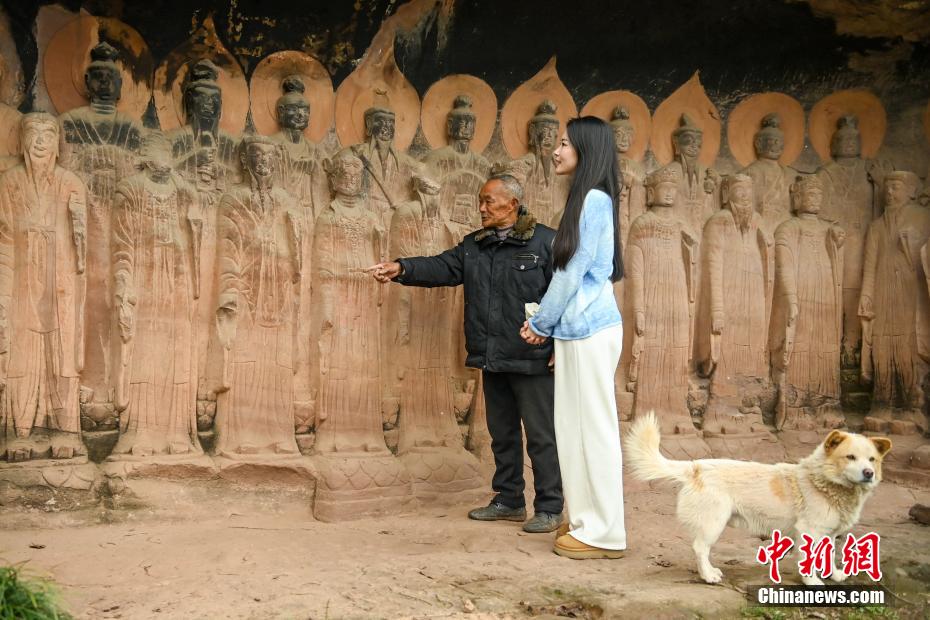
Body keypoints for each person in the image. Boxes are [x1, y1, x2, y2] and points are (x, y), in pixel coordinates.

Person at [370, 174, 563, 534]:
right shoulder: (475, 245)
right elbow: (442, 266)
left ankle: (550, 506)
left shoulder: (545, 242)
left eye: (489, 201)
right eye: (480, 200)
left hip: (532, 356)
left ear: (513, 205)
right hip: (492, 354)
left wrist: (560, 344)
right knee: (501, 433)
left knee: (540, 434)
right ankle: (509, 500)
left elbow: (566, 295)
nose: (482, 208)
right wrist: (402, 268)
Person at [521, 116, 626, 559]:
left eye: (564, 143)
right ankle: (586, 519)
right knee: (573, 428)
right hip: (578, 329)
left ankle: (605, 533)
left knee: (594, 430)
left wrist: (540, 322)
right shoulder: (587, 199)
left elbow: (570, 272)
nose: (556, 150)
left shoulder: (594, 200)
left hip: (589, 329)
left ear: (586, 149)